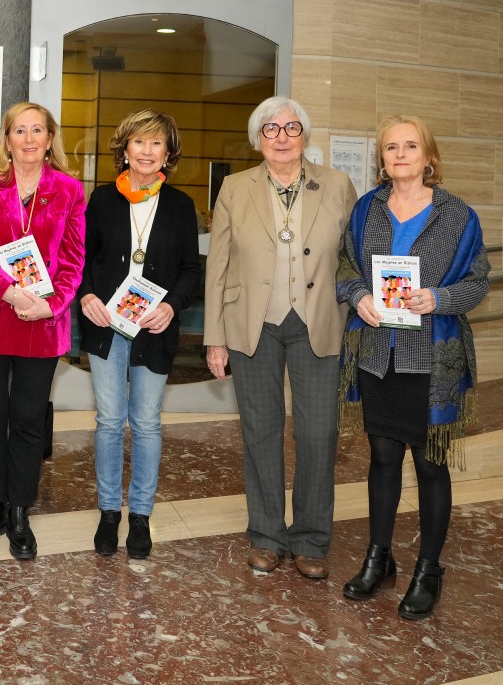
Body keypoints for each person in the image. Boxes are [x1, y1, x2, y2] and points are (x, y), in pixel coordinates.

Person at [338, 115, 489, 619]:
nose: (400, 154)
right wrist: (357, 296)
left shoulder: (458, 215)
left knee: (429, 462)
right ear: (381, 160)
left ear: (429, 156)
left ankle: (429, 570)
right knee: (382, 455)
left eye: (410, 146)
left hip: (432, 353)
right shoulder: (367, 208)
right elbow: (345, 265)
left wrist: (438, 298)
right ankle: (379, 559)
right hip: (376, 351)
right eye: (390, 147)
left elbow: (478, 282)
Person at [203, 96, 356, 579]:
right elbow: (218, 265)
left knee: (318, 433)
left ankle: (310, 540)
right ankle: (267, 536)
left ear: (304, 135)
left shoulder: (337, 185)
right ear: (258, 139)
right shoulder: (234, 188)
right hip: (252, 323)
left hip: (319, 322)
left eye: (291, 128)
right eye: (271, 129)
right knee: (260, 430)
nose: (282, 137)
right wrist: (215, 337)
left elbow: (353, 257)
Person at [0, 101, 86, 561]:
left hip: (41, 322)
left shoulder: (69, 190)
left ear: (50, 139)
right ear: (6, 140)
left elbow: (73, 259)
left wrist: (50, 304)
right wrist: (10, 292)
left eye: (37, 131)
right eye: (19, 131)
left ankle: (19, 510)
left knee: (28, 419)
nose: (28, 139)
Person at [78, 110, 201, 559]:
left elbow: (191, 270)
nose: (147, 151)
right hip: (106, 326)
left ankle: (141, 516)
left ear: (168, 153)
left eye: (156, 143)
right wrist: (86, 295)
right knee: (110, 421)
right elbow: (80, 259)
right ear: (125, 149)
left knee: (146, 422)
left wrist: (171, 305)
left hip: (154, 328)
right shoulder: (102, 199)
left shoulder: (181, 205)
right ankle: (110, 512)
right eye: (139, 142)